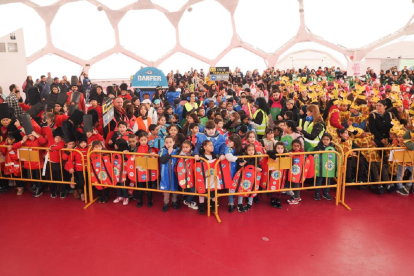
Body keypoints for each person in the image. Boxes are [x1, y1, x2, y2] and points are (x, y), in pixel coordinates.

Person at [159, 136, 179, 212]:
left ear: (174, 142)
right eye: (167, 142)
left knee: (174, 187)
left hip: (174, 173)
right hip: (165, 174)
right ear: (164, 143)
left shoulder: (177, 150)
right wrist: (169, 153)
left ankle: (174, 201)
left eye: (170, 142)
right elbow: (163, 160)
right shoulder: (162, 150)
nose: (169, 144)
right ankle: (166, 203)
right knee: (166, 189)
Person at [313, 133, 336, 201]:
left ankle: (326, 193)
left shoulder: (332, 148)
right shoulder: (318, 147)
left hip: (328, 168)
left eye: (327, 139)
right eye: (324, 139)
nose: (325, 141)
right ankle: (317, 193)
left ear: (330, 140)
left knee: (328, 181)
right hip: (320, 167)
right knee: (319, 181)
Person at [225, 134, 243, 213]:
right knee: (231, 187)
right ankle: (231, 203)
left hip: (239, 171)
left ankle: (239, 202)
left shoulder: (240, 149)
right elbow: (229, 156)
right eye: (228, 141)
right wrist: (237, 159)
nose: (228, 142)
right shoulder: (227, 148)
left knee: (239, 185)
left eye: (230, 141)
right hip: (230, 171)